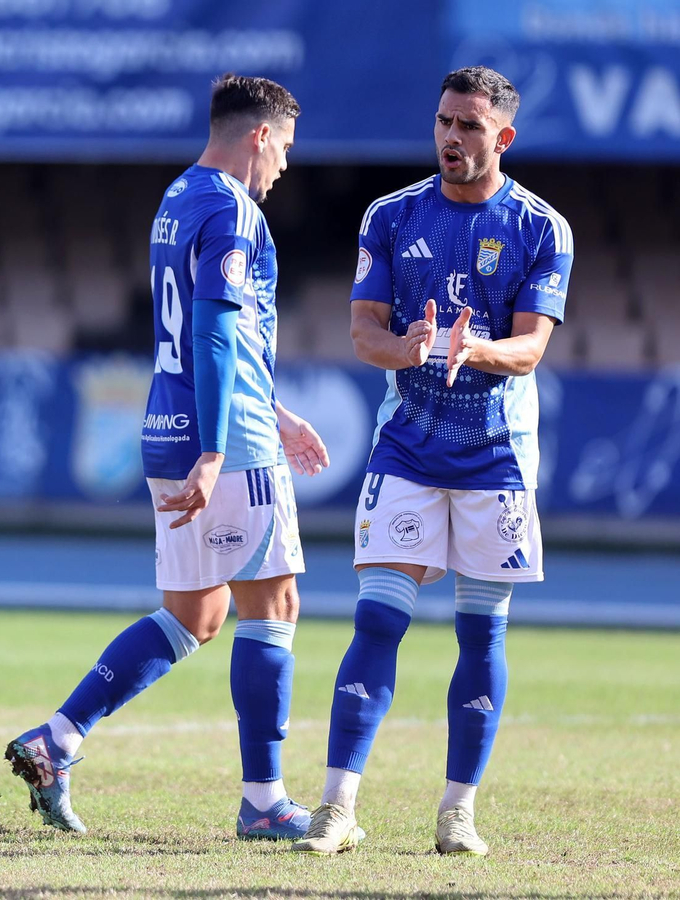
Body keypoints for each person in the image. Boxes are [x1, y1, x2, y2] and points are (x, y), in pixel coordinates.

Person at [4, 74, 331, 840]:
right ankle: (264, 803)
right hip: (222, 438)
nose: (283, 165)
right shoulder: (231, 208)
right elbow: (213, 335)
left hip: (168, 424)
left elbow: (200, 335)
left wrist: (274, 411)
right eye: (282, 148)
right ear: (258, 136)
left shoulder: (177, 199)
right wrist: (223, 447)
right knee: (272, 606)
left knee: (198, 611)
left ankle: (57, 739)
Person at [292, 66, 571, 858]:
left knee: (481, 639)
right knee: (378, 620)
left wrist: (473, 347)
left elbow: (532, 349)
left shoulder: (543, 228)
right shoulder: (392, 215)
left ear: (503, 138)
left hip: (497, 460)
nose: (452, 138)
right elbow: (364, 335)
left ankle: (457, 815)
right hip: (408, 447)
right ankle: (336, 808)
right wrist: (409, 346)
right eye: (445, 122)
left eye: (470, 127)